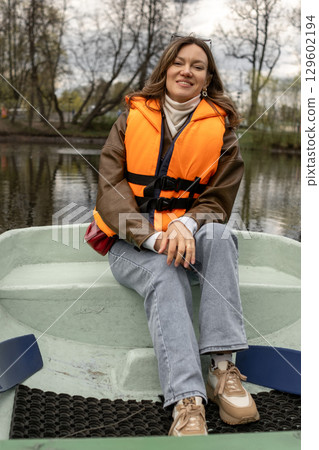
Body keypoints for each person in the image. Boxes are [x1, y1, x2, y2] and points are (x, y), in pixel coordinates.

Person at [94, 35, 260, 436]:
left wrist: (187, 223)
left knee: (220, 238)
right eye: (179, 63)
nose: (187, 71)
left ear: (207, 79)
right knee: (164, 272)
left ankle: (223, 370)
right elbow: (110, 194)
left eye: (198, 66)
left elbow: (219, 199)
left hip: (190, 235)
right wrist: (152, 238)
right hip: (133, 243)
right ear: (166, 69)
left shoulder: (221, 131)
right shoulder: (129, 120)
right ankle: (187, 400)